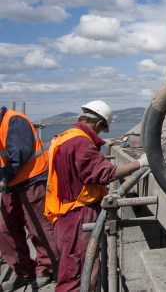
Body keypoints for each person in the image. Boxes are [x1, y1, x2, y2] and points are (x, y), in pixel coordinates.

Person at [44, 100, 148, 292]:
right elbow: (105, 173)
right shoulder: (81, 142)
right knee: (79, 273)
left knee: (73, 268)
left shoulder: (64, 137)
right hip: (77, 214)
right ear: (99, 123)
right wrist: (139, 164)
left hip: (62, 213)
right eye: (102, 129)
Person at [0, 106, 58, 291]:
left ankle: (47, 269)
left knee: (38, 228)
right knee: (4, 229)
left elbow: (19, 154)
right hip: (11, 184)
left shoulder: (14, 120)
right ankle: (24, 272)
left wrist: (4, 178)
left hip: (31, 180)